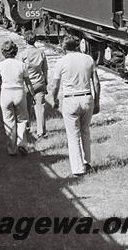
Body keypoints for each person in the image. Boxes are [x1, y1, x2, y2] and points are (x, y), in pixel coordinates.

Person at [49, 35, 100, 177]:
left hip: (70, 99)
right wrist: (97, 101)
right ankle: (86, 162)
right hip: (86, 97)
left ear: (63, 47)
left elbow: (55, 85)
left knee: (73, 135)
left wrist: (54, 100)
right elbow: (96, 82)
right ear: (77, 45)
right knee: (85, 131)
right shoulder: (88, 59)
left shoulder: (61, 62)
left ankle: (78, 168)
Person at [0, 40, 33, 156]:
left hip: (6, 93)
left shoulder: (0, 65)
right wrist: (32, 93)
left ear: (3, 52)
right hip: (19, 93)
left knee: (9, 121)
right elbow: (28, 82)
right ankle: (21, 143)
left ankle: (12, 149)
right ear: (15, 51)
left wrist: (1, 80)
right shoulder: (21, 64)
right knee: (22, 120)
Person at [19, 32, 49, 139]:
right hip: (39, 83)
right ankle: (41, 132)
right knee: (40, 108)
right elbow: (45, 70)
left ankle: (27, 128)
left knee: (26, 108)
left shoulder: (22, 54)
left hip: (27, 85)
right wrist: (45, 82)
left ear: (25, 40)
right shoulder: (41, 53)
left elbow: (20, 71)